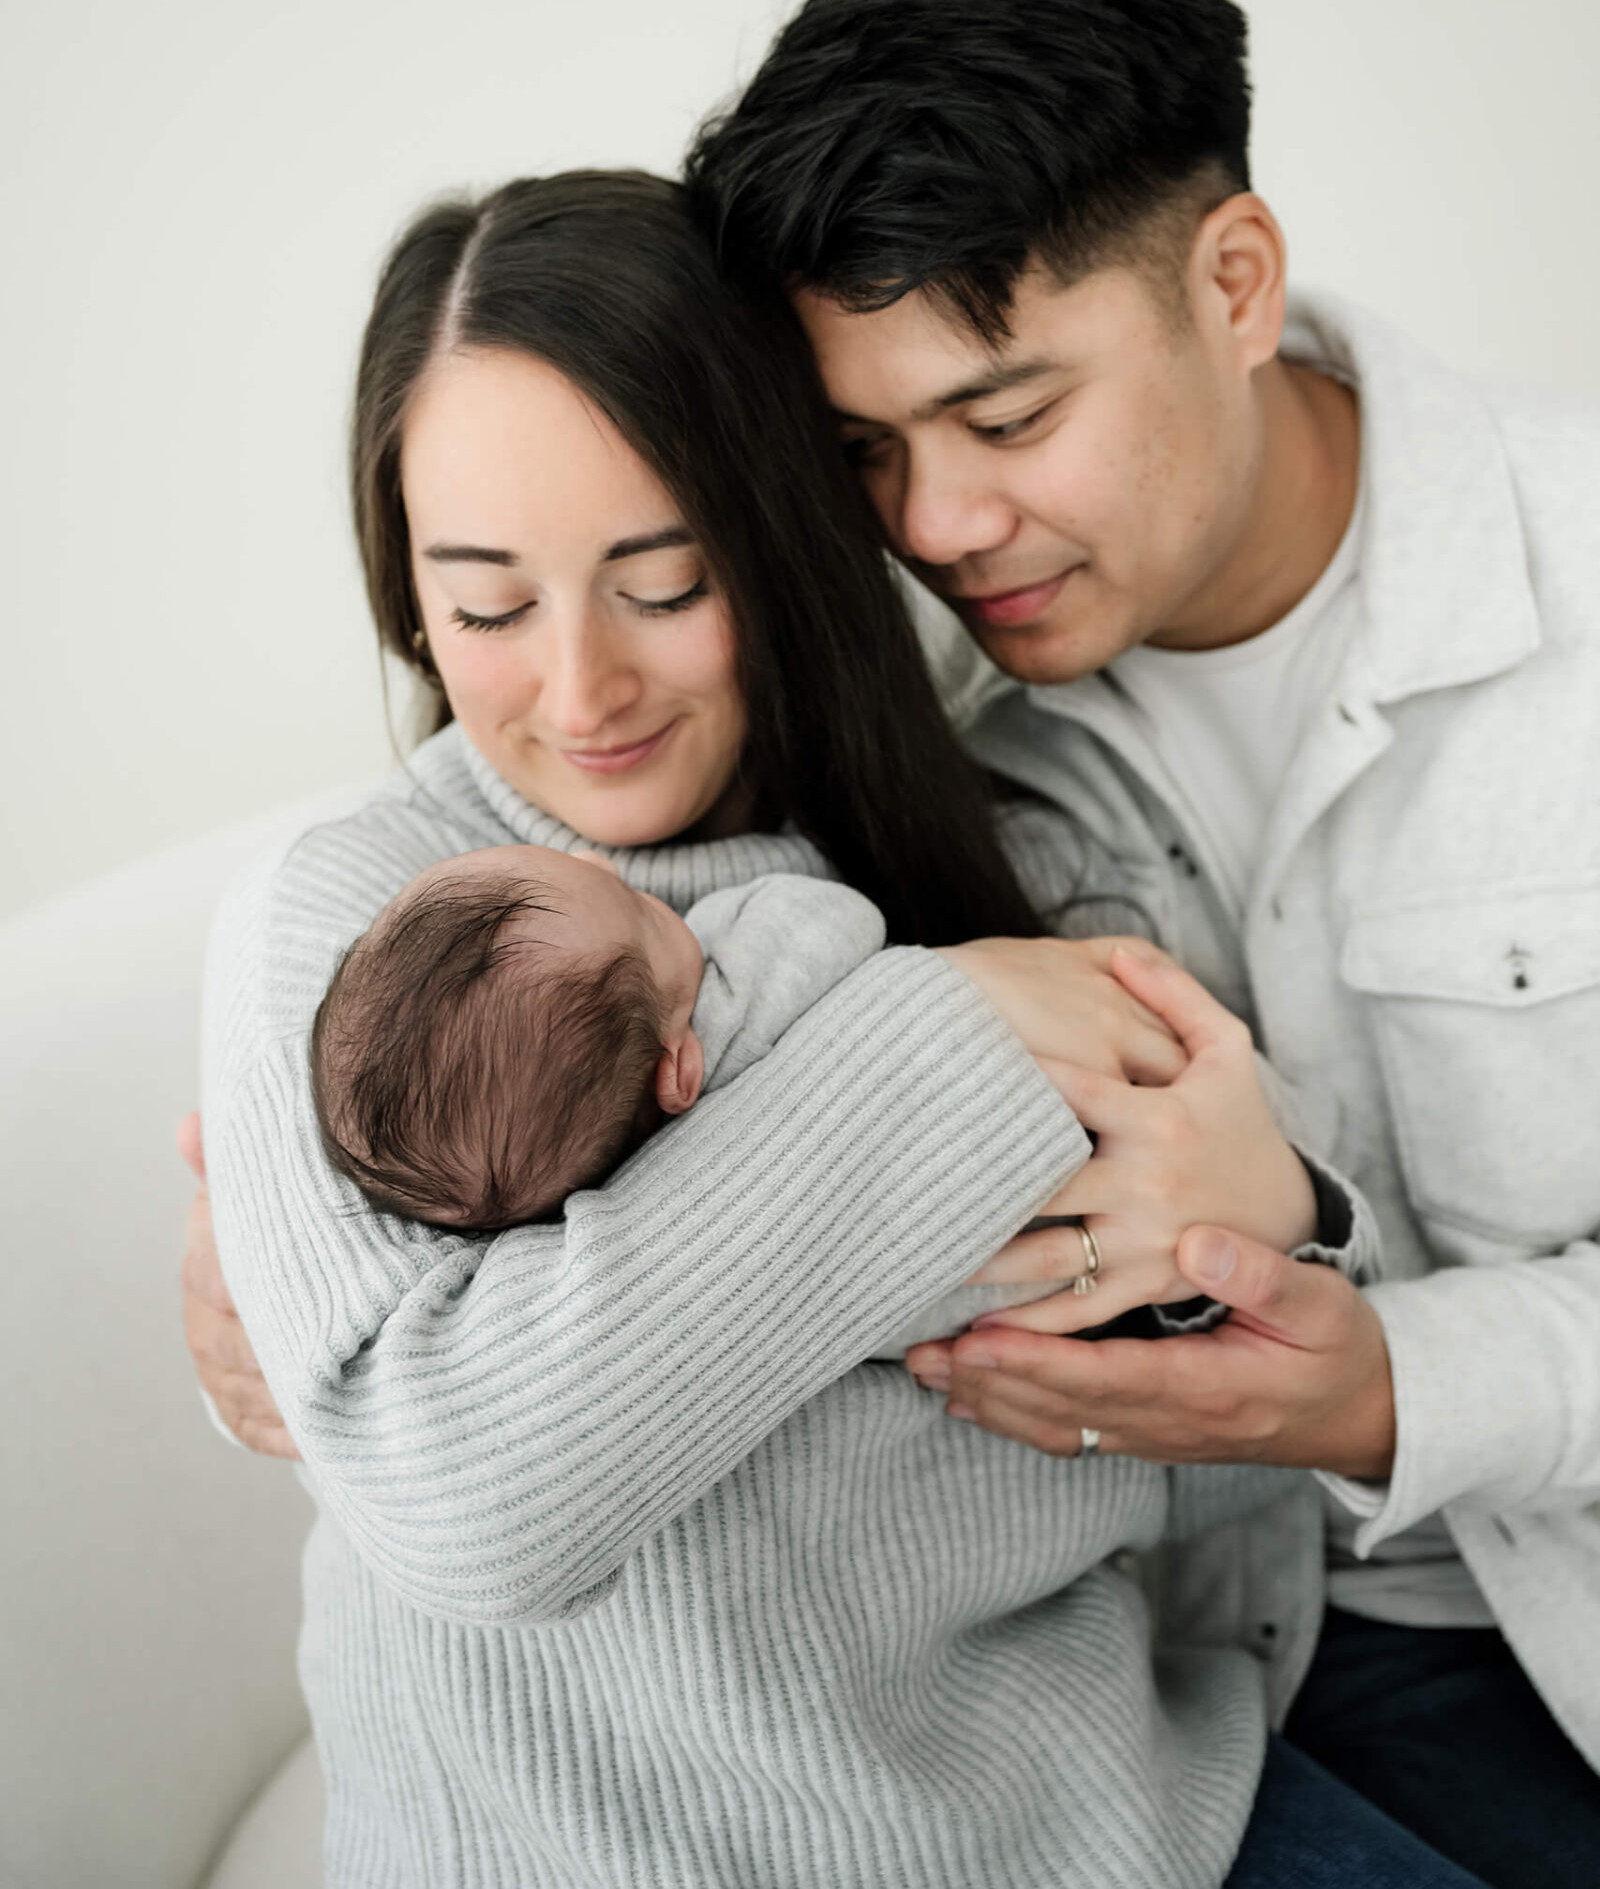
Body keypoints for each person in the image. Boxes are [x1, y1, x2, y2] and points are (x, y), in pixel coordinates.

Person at [193, 169, 1472, 1887]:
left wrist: (1287, 1221)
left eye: (663, 583)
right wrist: (941, 1034)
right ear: (407, 595)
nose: (581, 691)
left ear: (787, 543)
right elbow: (469, 1505)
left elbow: (1232, 1453)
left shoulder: (1008, 846)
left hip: (1103, 1821)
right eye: (487, 605)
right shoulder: (354, 921)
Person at [683, 0, 1600, 1889]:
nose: (939, 526)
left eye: (1009, 417)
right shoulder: (891, 717)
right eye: (864, 449)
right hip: (1204, 1685)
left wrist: (1391, 1386)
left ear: (1233, 282)